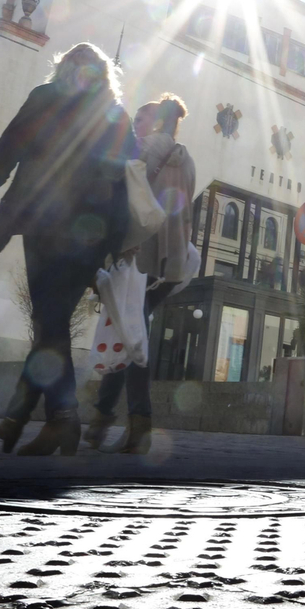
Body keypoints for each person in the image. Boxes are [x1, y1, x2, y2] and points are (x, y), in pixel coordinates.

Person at [0, 43, 136, 455]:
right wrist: (116, 241)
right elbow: (126, 177)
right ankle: (22, 418)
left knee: (49, 321)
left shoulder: (47, 98)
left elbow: (13, 141)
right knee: (52, 321)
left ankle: (61, 417)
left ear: (63, 68)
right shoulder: (115, 115)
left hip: (46, 219)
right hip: (93, 231)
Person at [87, 94, 196, 454]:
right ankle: (103, 419)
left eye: (142, 118)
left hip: (139, 256)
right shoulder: (187, 159)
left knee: (134, 336)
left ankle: (137, 424)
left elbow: (119, 197)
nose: (136, 124)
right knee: (130, 329)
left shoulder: (142, 148)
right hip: (170, 263)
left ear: (159, 121)